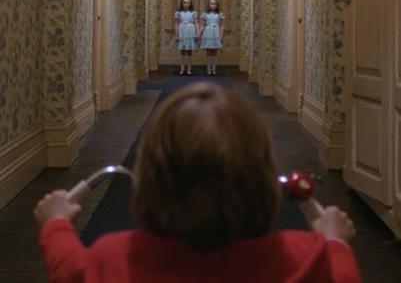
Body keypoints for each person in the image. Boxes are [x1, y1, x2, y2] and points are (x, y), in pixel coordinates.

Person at [35, 83, 361, 282]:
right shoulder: (304, 258)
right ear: (261, 176)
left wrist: (56, 224)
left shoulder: (113, 258)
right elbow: (343, 275)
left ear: (151, 179)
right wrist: (335, 241)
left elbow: (68, 268)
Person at [174, 0, 199, 75]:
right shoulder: (178, 13)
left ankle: (189, 69)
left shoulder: (193, 12)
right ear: (182, 3)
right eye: (184, 3)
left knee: (189, 51)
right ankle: (182, 69)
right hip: (182, 32)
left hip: (190, 31)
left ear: (190, 3)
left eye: (187, 3)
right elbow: (176, 24)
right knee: (182, 51)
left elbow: (196, 23)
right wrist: (176, 35)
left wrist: (197, 33)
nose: (186, 4)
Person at [199, 0, 224, 75]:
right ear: (209, 4)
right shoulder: (205, 14)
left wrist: (221, 36)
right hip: (208, 33)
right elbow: (202, 25)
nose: (213, 5)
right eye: (211, 4)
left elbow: (222, 26)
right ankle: (208, 69)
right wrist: (200, 33)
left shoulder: (219, 14)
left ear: (217, 5)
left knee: (215, 52)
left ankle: (214, 69)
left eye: (215, 4)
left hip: (216, 33)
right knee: (209, 51)